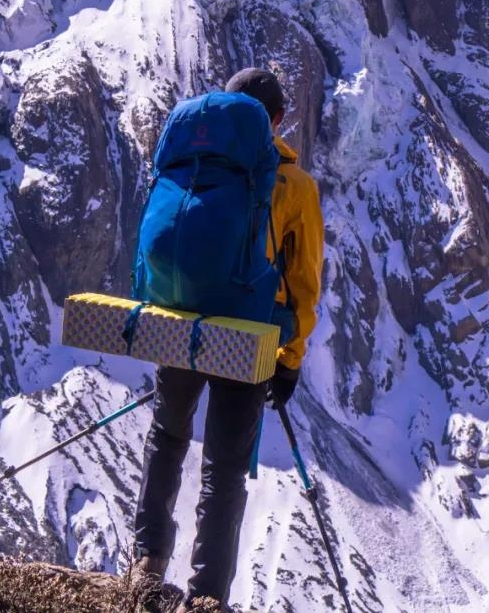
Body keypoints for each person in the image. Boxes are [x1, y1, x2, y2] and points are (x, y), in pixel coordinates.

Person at [132, 67, 325, 612]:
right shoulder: (295, 186)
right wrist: (289, 359)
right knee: (223, 468)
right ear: (279, 121)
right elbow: (305, 284)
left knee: (167, 438)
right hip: (246, 337)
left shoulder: (193, 164)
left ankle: (144, 565)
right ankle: (206, 598)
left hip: (179, 320)